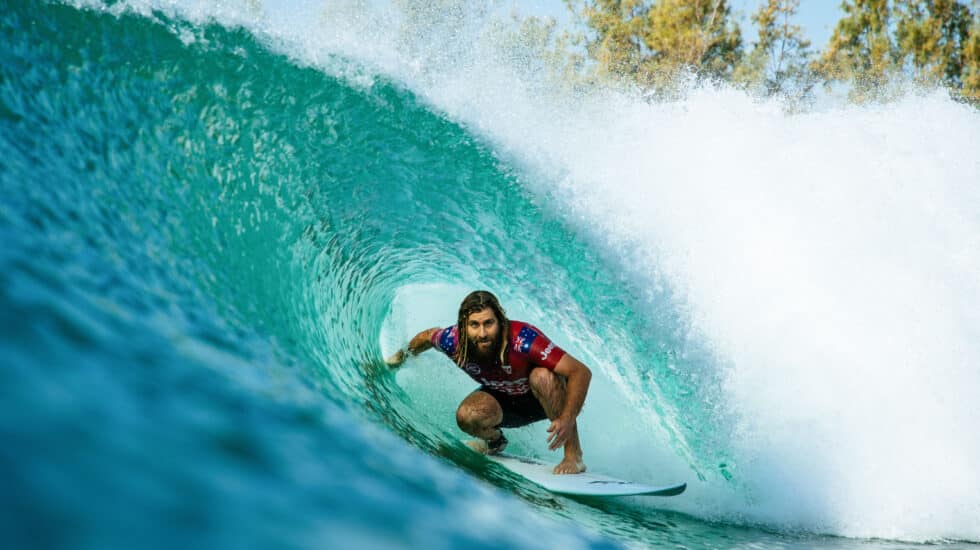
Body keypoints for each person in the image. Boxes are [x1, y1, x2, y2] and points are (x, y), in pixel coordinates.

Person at [386, 290, 591, 474]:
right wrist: (400, 357)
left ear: (500, 321)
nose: (482, 333)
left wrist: (566, 418)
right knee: (467, 416)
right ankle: (495, 442)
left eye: (488, 323)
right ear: (463, 326)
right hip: (507, 403)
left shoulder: (522, 340)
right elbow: (428, 337)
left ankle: (574, 456)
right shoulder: (454, 341)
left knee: (542, 376)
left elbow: (580, 372)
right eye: (474, 325)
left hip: (547, 399)